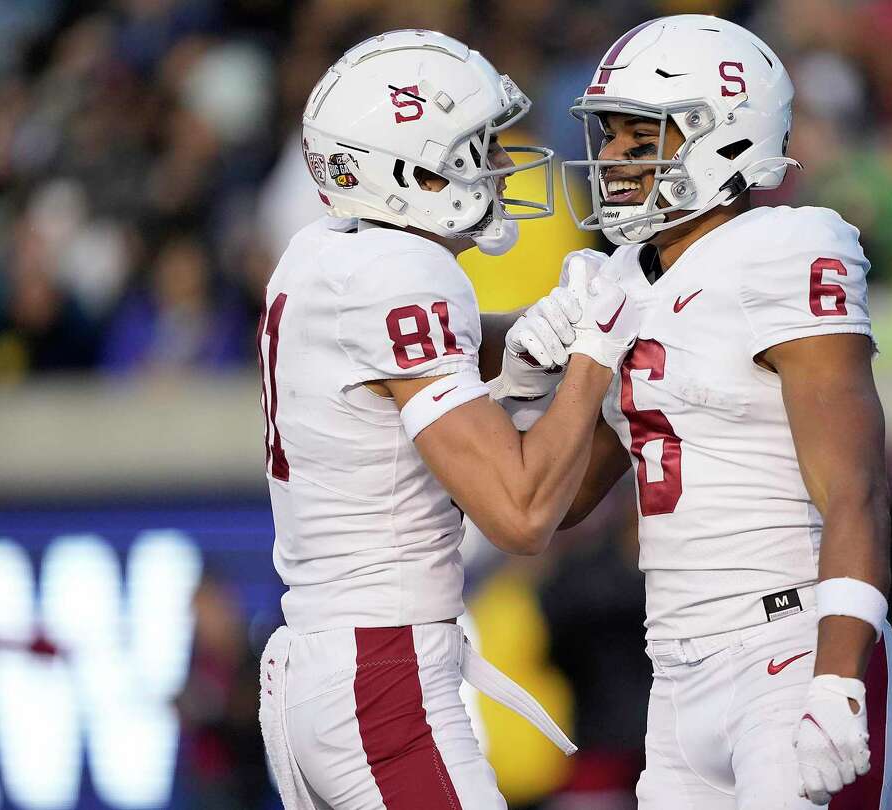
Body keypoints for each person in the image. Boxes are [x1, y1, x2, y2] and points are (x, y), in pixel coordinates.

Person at [500, 15, 892, 809]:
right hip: (678, 673)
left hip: (790, 648)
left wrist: (835, 680)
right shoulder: (619, 278)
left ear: (723, 137)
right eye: (609, 134)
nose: (614, 157)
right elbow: (548, 505)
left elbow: (855, 491)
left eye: (640, 134)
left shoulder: (785, 249)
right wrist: (527, 384)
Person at [255, 30, 641, 810]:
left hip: (324, 665)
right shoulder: (404, 272)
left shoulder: (321, 253)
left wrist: (542, 335)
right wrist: (601, 345)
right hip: (383, 674)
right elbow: (523, 513)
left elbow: (435, 357)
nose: (499, 165)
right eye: (479, 147)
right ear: (412, 169)